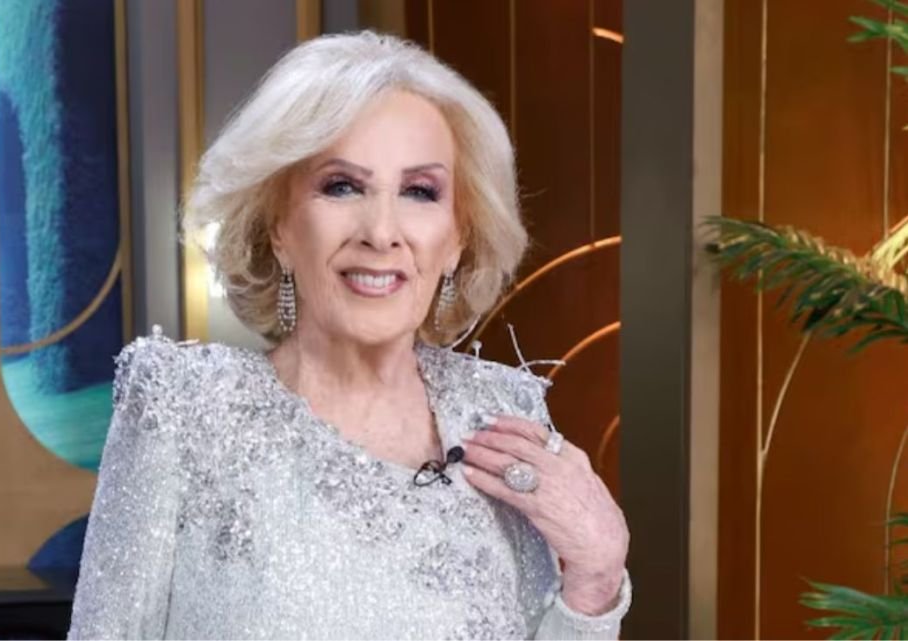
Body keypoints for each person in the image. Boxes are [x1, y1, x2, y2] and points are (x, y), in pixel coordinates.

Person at [68, 30, 631, 640]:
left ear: (457, 238)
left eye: (419, 192)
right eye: (342, 186)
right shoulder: (184, 406)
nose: (381, 232)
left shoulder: (503, 414)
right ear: (278, 225)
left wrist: (597, 578)